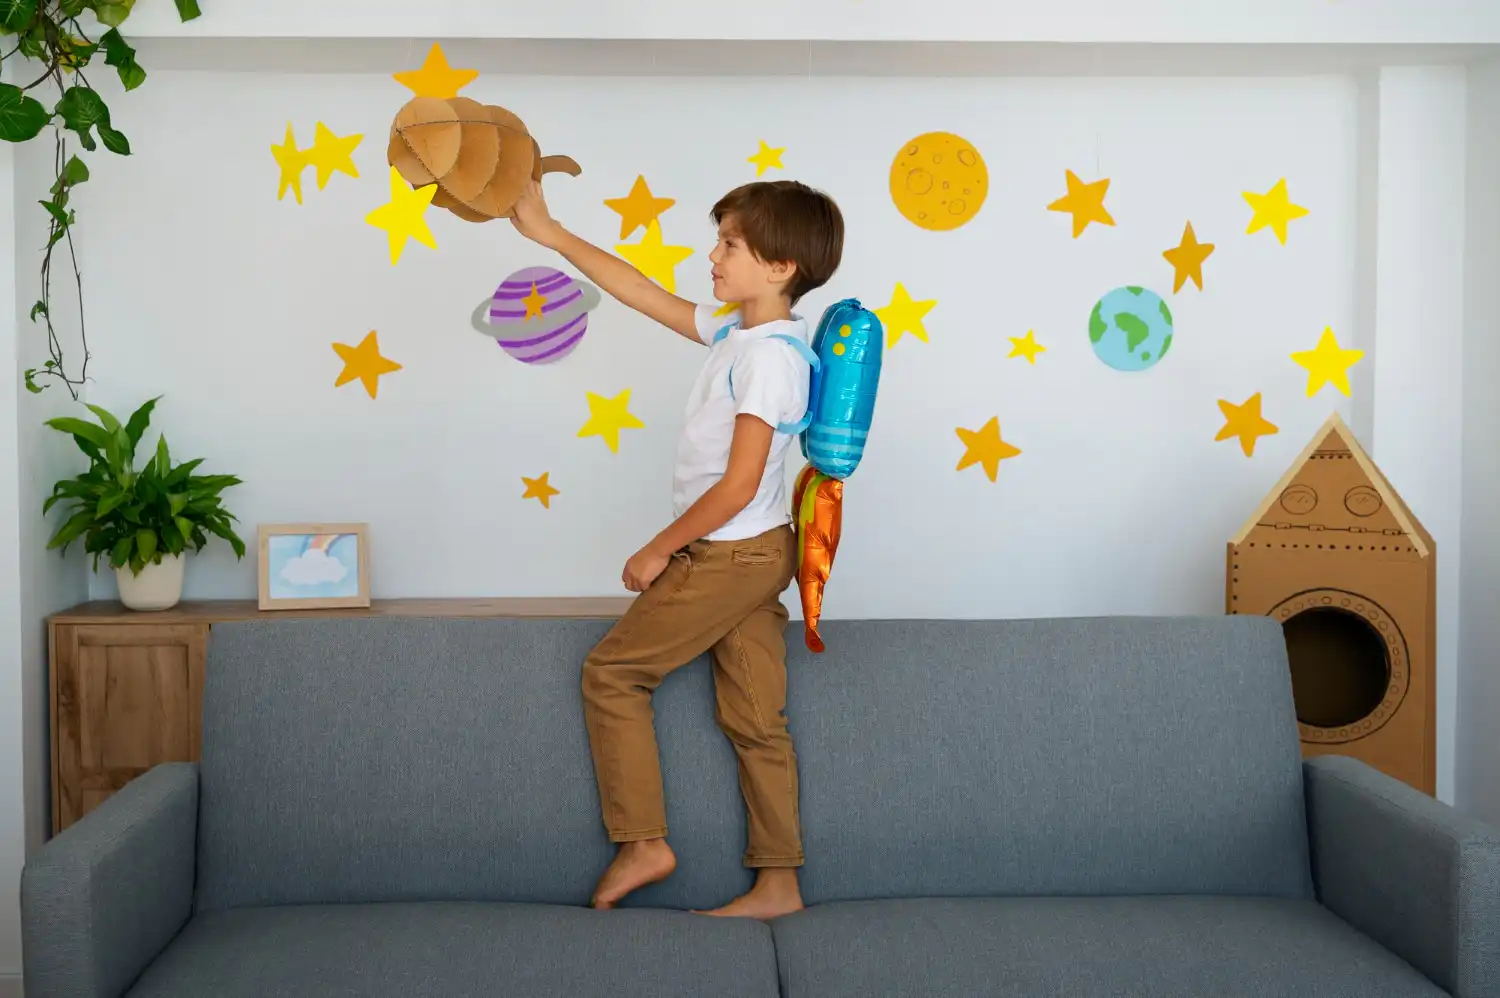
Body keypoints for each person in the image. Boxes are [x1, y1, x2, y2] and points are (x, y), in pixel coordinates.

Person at [509, 176, 844, 919]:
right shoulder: (740, 334)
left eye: (730, 243)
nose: (713, 255)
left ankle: (643, 843)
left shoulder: (771, 358)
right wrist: (550, 233)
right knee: (757, 721)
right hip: (758, 552)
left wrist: (658, 549)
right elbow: (639, 291)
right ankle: (780, 887)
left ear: (781, 266)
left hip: (730, 553)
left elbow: (737, 484)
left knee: (611, 675)